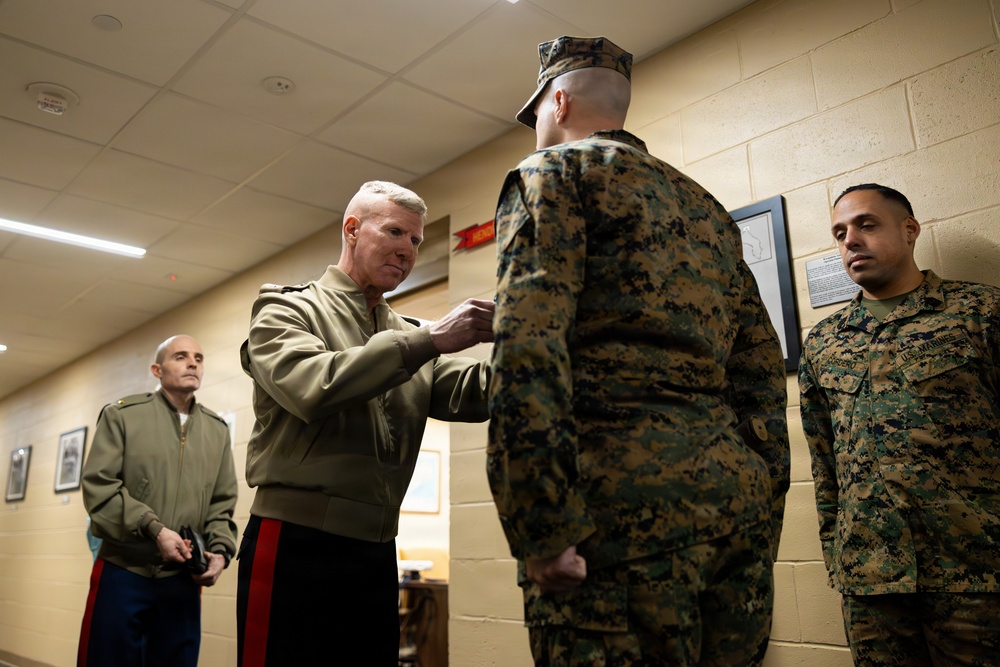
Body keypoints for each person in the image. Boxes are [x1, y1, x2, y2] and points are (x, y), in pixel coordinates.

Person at [487, 36, 790, 666]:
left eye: (536, 113)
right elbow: (760, 372)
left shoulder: (553, 174)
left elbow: (528, 352)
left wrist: (541, 525)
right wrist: (759, 509)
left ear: (559, 99)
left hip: (614, 523)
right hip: (732, 513)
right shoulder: (707, 209)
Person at [236, 180, 494, 666]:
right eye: (395, 231)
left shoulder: (407, 333)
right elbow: (313, 385)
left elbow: (469, 391)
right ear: (352, 230)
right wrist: (430, 339)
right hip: (295, 539)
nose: (407, 250)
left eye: (416, 241)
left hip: (375, 549)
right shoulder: (287, 308)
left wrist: (543, 354)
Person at [798, 183, 1000, 665]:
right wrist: (839, 556)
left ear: (909, 231)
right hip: (871, 583)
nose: (850, 240)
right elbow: (825, 463)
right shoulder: (825, 342)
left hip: (977, 576)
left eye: (866, 224)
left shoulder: (979, 313)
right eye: (840, 232)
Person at [78, 335, 238, 667]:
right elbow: (100, 488)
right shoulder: (121, 416)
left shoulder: (217, 430)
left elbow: (222, 503)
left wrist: (221, 551)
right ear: (157, 369)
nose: (193, 363)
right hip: (124, 570)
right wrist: (155, 529)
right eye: (181, 356)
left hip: (181, 581)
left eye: (198, 357)